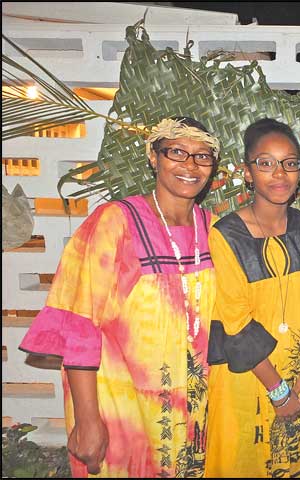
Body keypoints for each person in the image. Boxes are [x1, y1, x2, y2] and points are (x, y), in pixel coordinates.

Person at [19, 116, 220, 478]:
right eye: (177, 152)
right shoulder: (115, 223)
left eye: (202, 156)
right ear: (153, 157)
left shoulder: (213, 228)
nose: (190, 165)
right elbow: (79, 323)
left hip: (196, 413)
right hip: (122, 410)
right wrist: (87, 420)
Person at [204, 118, 300, 478]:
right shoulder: (225, 235)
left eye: (289, 162)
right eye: (266, 163)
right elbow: (235, 322)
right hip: (249, 379)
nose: (279, 173)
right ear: (247, 172)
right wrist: (278, 391)